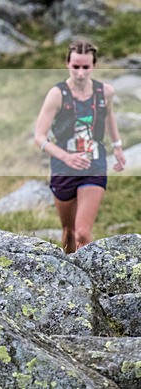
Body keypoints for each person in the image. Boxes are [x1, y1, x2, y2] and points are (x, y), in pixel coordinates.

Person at [34, 39, 126, 254]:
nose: (81, 72)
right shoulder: (57, 94)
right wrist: (66, 157)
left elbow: (109, 115)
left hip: (94, 165)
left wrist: (118, 147)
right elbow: (39, 137)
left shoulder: (106, 92)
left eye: (86, 67)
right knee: (68, 232)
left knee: (82, 233)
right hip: (63, 168)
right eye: (76, 66)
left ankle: (87, 282)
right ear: (67, 64)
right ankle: (69, 278)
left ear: (93, 66)